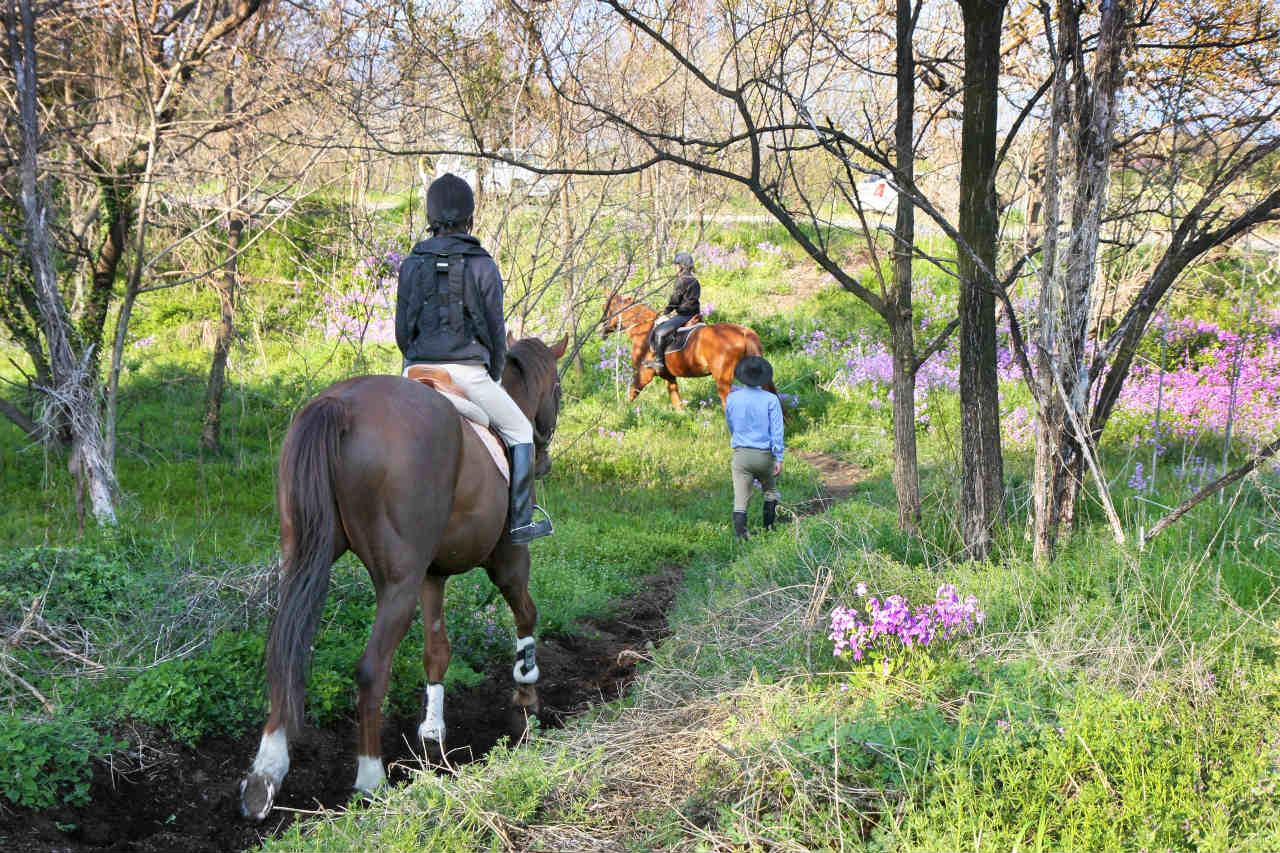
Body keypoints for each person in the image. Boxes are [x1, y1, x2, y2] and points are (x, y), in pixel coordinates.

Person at [395, 172, 551, 544]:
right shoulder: (483, 266)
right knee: (519, 431)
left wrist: (411, 366)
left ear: (431, 217)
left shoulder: (411, 265)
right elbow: (497, 335)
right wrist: (495, 374)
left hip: (416, 371)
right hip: (468, 375)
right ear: (469, 217)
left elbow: (403, 332)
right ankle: (519, 524)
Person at [724, 356, 783, 539]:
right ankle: (769, 531)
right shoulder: (771, 399)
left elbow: (730, 424)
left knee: (740, 500)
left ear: (741, 376)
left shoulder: (732, 398)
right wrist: (778, 457)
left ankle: (741, 537)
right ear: (763, 377)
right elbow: (777, 430)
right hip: (764, 455)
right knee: (770, 492)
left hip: (741, 455)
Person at [643, 250, 701, 370]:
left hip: (684, 315)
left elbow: (675, 300)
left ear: (681, 265)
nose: (676, 267)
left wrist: (666, 311)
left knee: (659, 332)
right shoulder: (695, 280)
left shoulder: (682, 280)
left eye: (677, 265)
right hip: (695, 313)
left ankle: (659, 362)